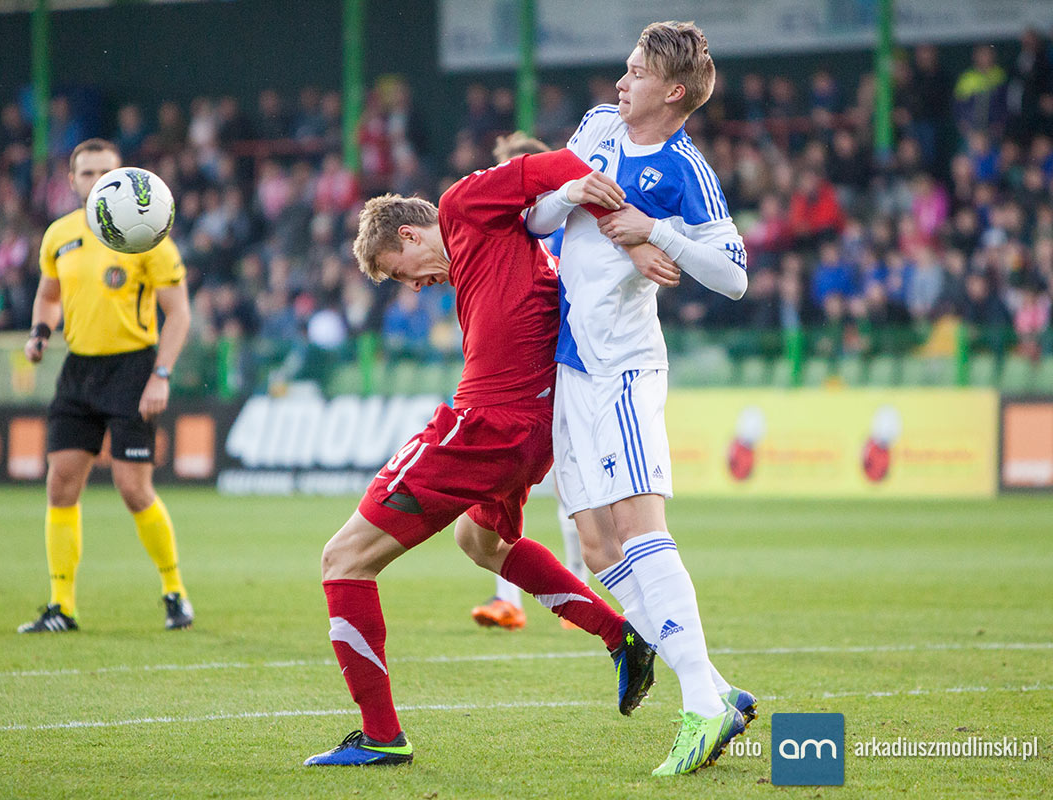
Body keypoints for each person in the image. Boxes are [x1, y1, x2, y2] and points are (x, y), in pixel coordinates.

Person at [305, 147, 661, 767]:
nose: (414, 286)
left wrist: (620, 221)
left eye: (400, 272)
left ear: (410, 234)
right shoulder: (490, 253)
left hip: (488, 425)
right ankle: (619, 637)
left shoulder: (462, 206)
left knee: (343, 559)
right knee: (481, 541)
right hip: (533, 432)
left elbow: (558, 163)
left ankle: (381, 736)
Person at [525, 21, 755, 776]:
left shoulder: (686, 170)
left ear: (673, 91)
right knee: (596, 547)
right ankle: (718, 689)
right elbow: (535, 219)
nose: (620, 83)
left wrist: (658, 231)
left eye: (635, 73)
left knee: (638, 526)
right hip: (571, 364)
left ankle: (700, 703)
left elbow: (734, 276)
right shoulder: (596, 126)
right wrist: (571, 194)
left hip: (623, 369)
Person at [17, 138, 194, 634]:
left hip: (133, 370)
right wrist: (40, 332)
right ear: (72, 180)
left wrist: (161, 374)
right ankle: (62, 606)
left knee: (133, 489)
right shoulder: (59, 235)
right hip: (79, 370)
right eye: (87, 173)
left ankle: (174, 591)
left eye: (105, 173)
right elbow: (48, 294)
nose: (96, 181)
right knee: (60, 483)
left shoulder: (149, 234)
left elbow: (179, 313)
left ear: (123, 178)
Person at [469, 132, 591, 632]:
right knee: (495, 485)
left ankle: (578, 585)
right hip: (523, 378)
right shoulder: (509, 232)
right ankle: (509, 600)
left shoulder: (565, 225)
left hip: (570, 368)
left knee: (571, 487)